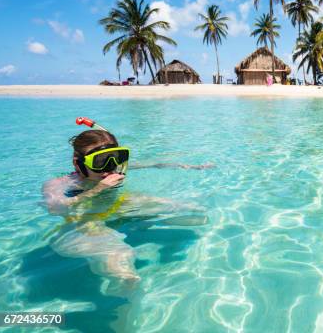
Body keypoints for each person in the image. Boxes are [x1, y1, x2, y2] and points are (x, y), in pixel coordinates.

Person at [42, 118, 209, 297]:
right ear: (78, 163)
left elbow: (154, 163)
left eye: (115, 159)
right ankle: (120, 304)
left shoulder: (114, 169)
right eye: (99, 162)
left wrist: (190, 166)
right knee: (122, 261)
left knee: (192, 209)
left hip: (120, 205)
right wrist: (98, 189)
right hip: (86, 222)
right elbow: (55, 208)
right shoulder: (61, 184)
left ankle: (141, 223)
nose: (109, 169)